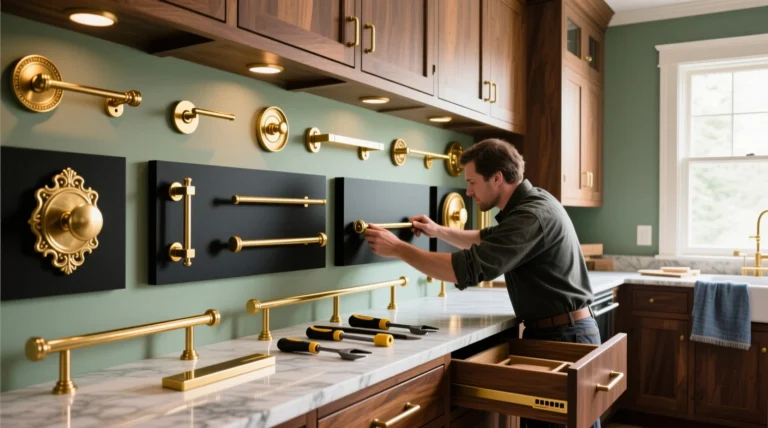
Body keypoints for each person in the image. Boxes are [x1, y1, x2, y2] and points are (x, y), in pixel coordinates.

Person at [363, 138, 600, 428]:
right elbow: (486, 238)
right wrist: (437, 231)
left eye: (473, 181)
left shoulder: (531, 216)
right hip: (563, 331)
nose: (468, 190)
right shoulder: (532, 202)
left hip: (563, 337)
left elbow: (464, 270)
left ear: (497, 178)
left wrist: (398, 249)